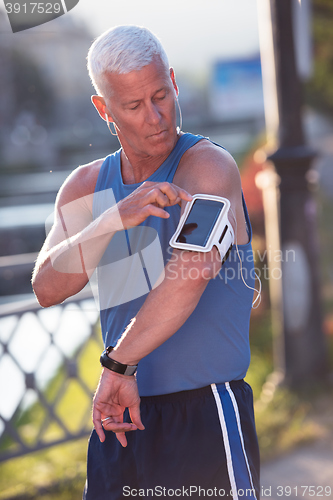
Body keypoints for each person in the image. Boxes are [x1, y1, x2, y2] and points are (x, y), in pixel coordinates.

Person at [32, 25, 260, 500]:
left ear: (174, 82)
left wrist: (117, 367)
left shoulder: (206, 168)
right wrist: (112, 219)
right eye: (134, 106)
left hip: (202, 414)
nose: (155, 117)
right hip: (119, 422)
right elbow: (47, 286)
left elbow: (188, 277)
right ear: (104, 110)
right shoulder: (85, 187)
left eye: (161, 95)